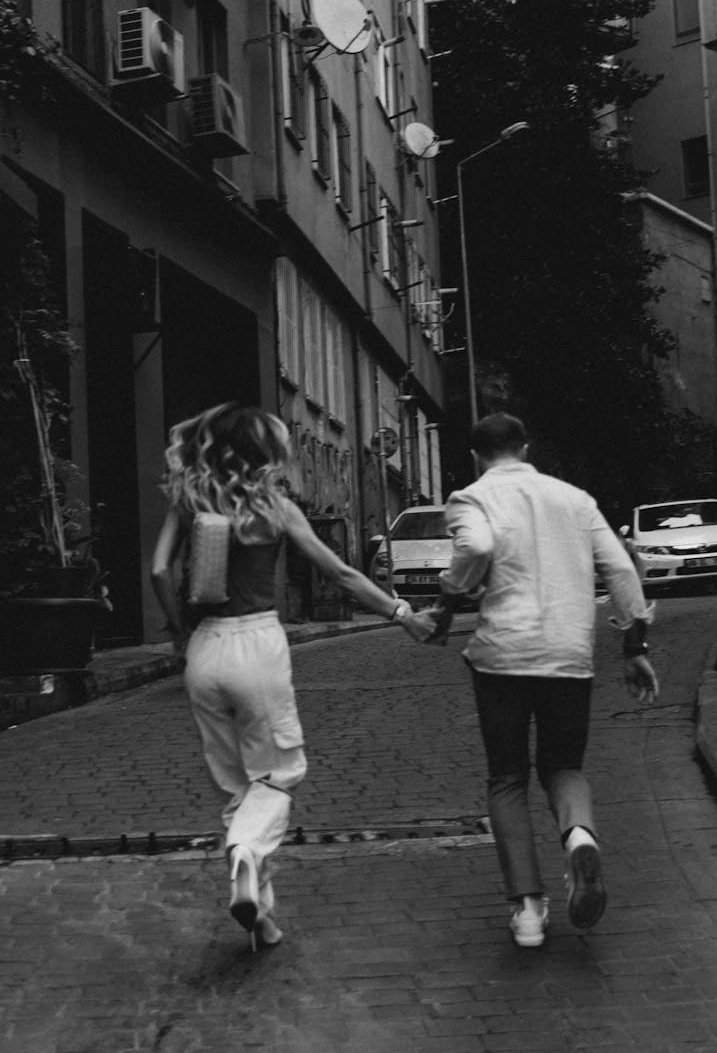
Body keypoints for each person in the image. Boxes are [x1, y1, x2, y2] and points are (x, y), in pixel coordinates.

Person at [151, 402, 433, 947]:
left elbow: (160, 567)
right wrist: (401, 615)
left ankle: (261, 912)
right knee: (277, 776)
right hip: (257, 644)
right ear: (263, 453)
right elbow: (342, 574)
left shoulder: (188, 501)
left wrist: (177, 633)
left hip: (204, 650)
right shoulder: (273, 508)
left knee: (238, 787)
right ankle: (247, 857)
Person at [423, 412, 658, 948]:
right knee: (563, 765)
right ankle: (577, 835)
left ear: (475, 454)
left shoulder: (470, 497)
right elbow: (622, 570)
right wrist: (634, 645)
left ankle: (528, 909)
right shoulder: (575, 499)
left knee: (507, 777)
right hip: (568, 654)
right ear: (526, 447)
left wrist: (446, 603)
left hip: (503, 655)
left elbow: (476, 549)